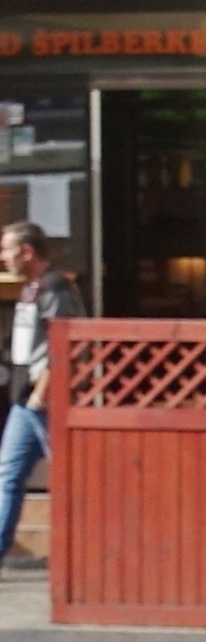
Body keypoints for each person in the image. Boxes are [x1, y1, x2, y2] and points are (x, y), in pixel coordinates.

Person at [0, 222, 87, 568]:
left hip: (47, 401)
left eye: (7, 250)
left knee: (70, 476)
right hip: (25, 402)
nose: (3, 257)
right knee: (8, 475)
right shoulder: (31, 289)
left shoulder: (55, 289)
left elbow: (62, 345)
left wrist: (43, 391)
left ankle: (84, 550)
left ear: (27, 252)